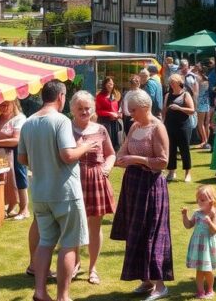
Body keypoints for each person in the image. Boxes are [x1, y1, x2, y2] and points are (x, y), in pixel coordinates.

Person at [17, 80, 95, 301]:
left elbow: (22, 158)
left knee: (45, 242)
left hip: (40, 193)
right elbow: (68, 155)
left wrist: (42, 161)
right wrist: (85, 147)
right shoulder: (61, 120)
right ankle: (63, 296)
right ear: (61, 96)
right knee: (70, 244)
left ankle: (40, 291)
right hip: (65, 193)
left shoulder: (28, 122)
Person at [111, 88, 173, 301]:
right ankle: (146, 279)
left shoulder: (158, 128)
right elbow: (122, 153)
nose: (130, 114)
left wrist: (136, 159)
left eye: (134, 110)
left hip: (151, 185)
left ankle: (160, 285)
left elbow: (163, 162)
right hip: (133, 184)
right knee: (135, 232)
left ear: (146, 107)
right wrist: (124, 159)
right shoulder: (135, 126)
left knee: (152, 231)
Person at [70, 91, 116, 286]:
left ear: (93, 109)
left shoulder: (100, 129)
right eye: (79, 108)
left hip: (96, 180)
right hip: (72, 181)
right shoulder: (66, 129)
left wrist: (107, 167)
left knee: (94, 227)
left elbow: (111, 154)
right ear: (72, 109)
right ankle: (75, 264)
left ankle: (93, 268)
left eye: (87, 107)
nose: (84, 111)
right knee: (73, 226)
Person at [0, 99, 29, 220]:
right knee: (3, 180)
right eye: (0, 105)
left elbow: (16, 140)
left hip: (16, 152)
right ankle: (10, 206)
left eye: (5, 105)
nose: (2, 108)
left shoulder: (19, 119)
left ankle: (24, 209)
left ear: (13, 104)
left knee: (20, 178)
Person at [182, 185, 216, 300]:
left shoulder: (213, 214)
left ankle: (210, 289)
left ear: (211, 201)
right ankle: (200, 291)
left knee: (207, 270)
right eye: (198, 199)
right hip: (198, 245)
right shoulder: (197, 213)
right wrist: (184, 216)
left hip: (209, 245)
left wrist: (209, 222)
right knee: (199, 270)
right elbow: (188, 225)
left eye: (202, 200)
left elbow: (214, 231)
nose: (199, 202)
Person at [163, 73, 196, 182]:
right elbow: (164, 111)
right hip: (169, 125)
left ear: (179, 83)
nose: (171, 84)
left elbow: (192, 110)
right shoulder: (168, 95)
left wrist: (179, 108)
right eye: (170, 83)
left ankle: (187, 173)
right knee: (171, 149)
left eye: (173, 82)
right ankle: (172, 171)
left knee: (184, 149)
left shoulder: (185, 94)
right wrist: (163, 123)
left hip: (183, 126)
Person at [95, 76, 122, 152]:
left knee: (115, 143)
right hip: (105, 122)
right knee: (107, 142)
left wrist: (119, 114)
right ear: (105, 84)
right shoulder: (99, 96)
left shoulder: (115, 95)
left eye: (112, 84)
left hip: (114, 122)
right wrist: (109, 113)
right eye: (109, 83)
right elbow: (97, 111)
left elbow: (117, 109)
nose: (111, 85)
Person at [122, 72, 145, 140]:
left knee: (139, 138)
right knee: (130, 138)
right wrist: (130, 114)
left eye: (137, 81)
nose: (135, 83)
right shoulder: (127, 93)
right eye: (133, 81)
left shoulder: (143, 93)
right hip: (129, 119)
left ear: (139, 83)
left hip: (140, 119)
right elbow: (125, 108)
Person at [194, 64, 211, 150]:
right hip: (207, 101)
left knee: (200, 123)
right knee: (206, 123)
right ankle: (206, 141)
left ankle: (204, 141)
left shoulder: (197, 78)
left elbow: (196, 91)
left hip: (201, 102)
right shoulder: (207, 79)